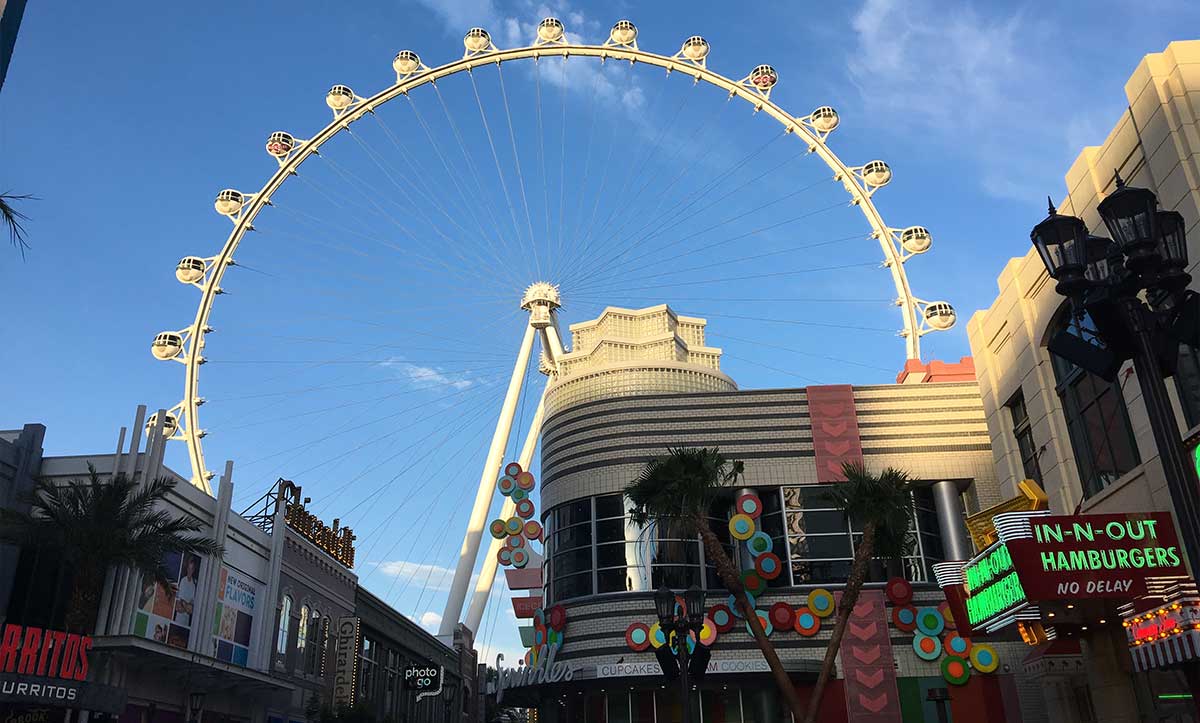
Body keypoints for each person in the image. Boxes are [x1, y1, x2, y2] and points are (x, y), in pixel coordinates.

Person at [174, 554, 200, 626]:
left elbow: (191, 607)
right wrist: (187, 607)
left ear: (193, 570)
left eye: (191, 569)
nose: (189, 571)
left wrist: (185, 605)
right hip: (178, 619)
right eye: (189, 568)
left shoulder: (193, 585)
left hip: (186, 621)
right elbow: (179, 604)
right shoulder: (183, 581)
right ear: (187, 568)